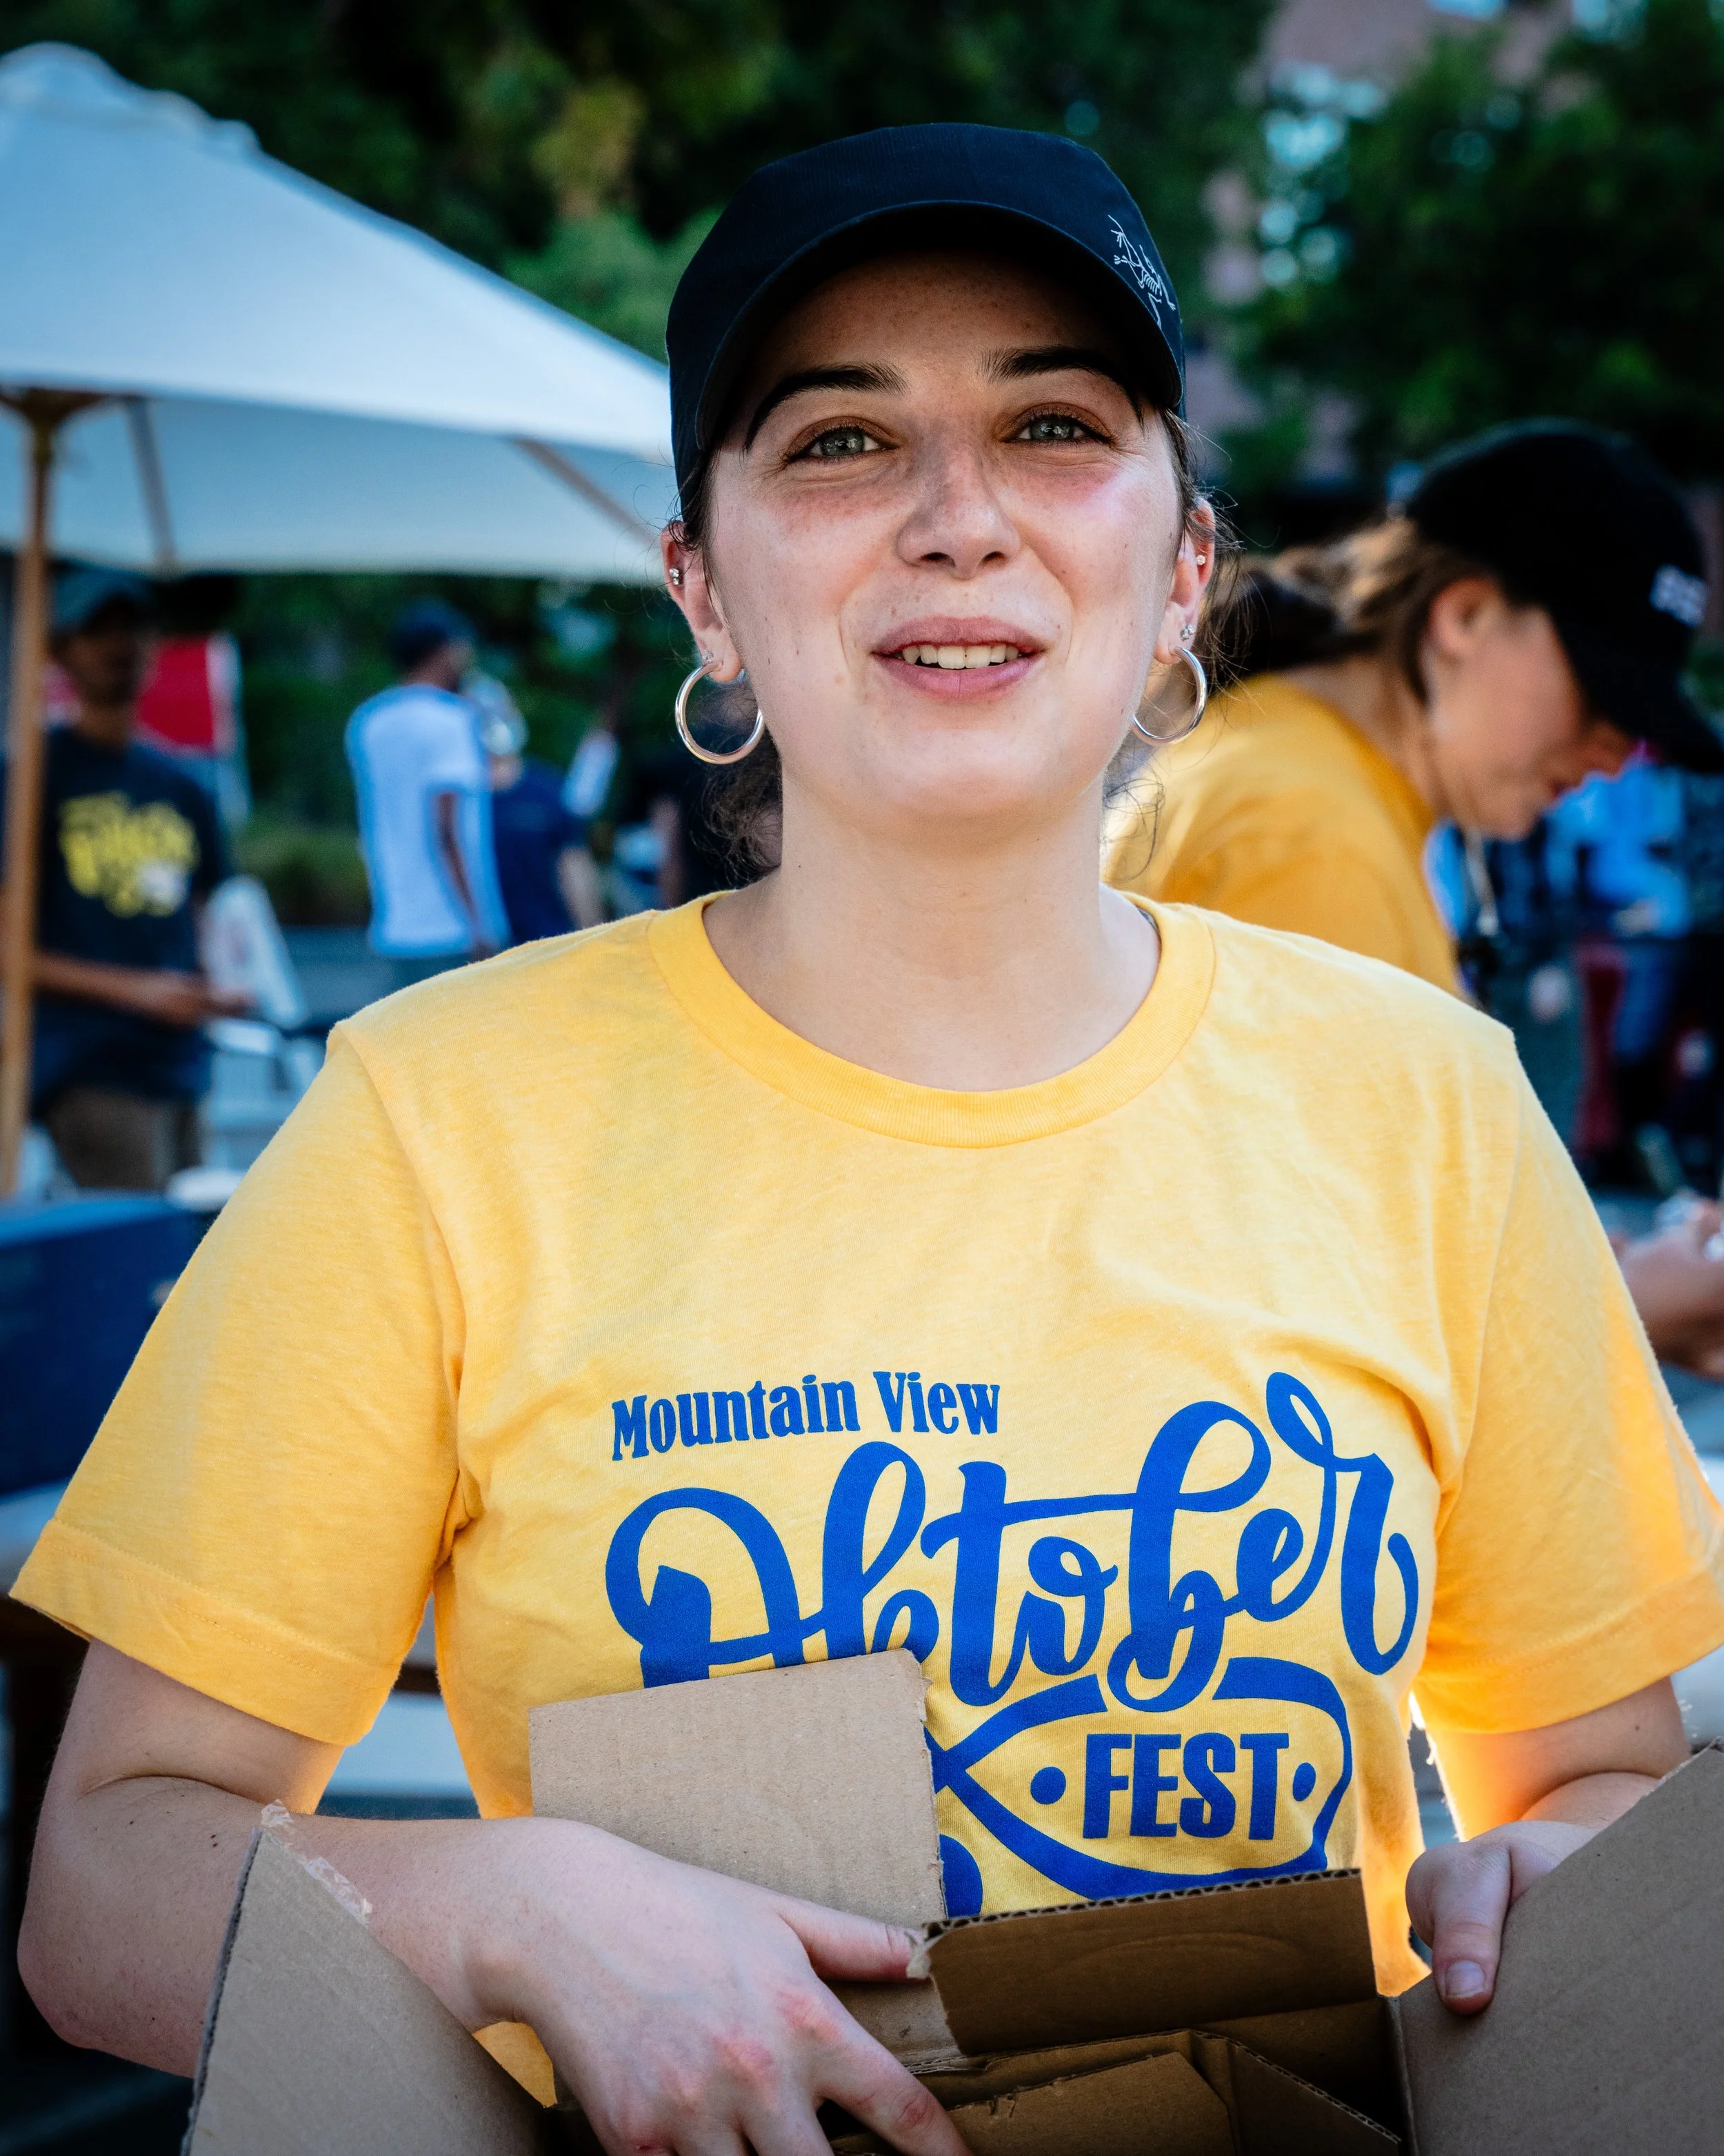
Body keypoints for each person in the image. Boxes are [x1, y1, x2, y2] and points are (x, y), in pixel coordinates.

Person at [17, 128, 1724, 2156]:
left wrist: (1538, 1879)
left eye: (1050, 423)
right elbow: (101, 1881)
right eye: (834, 440)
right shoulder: (435, 1118)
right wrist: (487, 1900)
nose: (952, 517)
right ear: (701, 586)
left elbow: (1593, 1786)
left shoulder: (1424, 1102)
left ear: (1180, 559)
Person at [1105, 423, 1724, 1373]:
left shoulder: (1304, 779)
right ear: (1465, 615)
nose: (1614, 752)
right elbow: (1337, 1317)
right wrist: (1642, 1299)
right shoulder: (1308, 831)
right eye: (1604, 694)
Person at [9, 569, 245, 1190]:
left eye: (134, 628)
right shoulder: (32, 779)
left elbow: (204, 918)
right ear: (61, 650)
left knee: (193, 1250)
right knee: (143, 1259)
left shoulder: (182, 784)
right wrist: (140, 991)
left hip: (183, 1063)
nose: (121, 645)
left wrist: (215, 988)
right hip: (88, 1065)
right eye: (98, 630)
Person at [345, 599, 508, 984]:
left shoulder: (369, 720)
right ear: (444, 651)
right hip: (449, 925)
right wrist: (479, 923)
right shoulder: (451, 720)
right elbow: (446, 830)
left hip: (394, 919)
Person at [471, 678, 592, 945]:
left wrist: (590, 935)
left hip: (546, 940)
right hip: (480, 947)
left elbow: (574, 869)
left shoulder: (545, 790)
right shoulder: (457, 798)